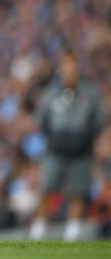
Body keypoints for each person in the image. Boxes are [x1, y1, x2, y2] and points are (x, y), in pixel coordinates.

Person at [29, 49, 107, 241]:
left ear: (78, 66)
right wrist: (54, 136)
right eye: (65, 64)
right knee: (47, 187)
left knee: (78, 190)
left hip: (81, 150)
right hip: (56, 149)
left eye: (72, 64)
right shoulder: (52, 92)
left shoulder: (89, 92)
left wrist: (87, 135)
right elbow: (42, 119)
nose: (69, 68)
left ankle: (72, 232)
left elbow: (100, 118)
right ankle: (39, 229)